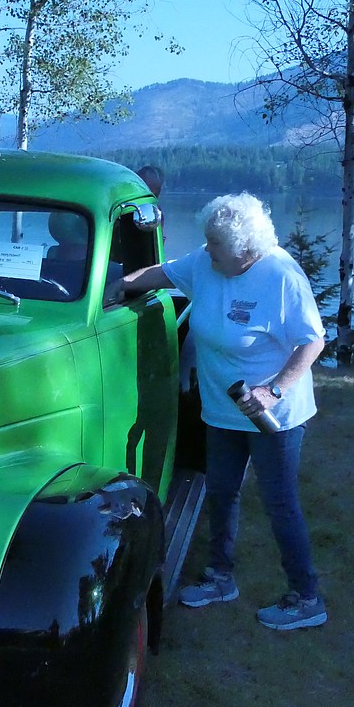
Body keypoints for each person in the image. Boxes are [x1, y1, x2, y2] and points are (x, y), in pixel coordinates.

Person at [109, 192, 328, 631]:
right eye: (207, 241)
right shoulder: (207, 263)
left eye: (215, 244)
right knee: (221, 492)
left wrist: (274, 391)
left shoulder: (280, 276)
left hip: (272, 418)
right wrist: (115, 287)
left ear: (246, 250)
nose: (206, 249)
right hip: (220, 410)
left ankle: (307, 597)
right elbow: (159, 273)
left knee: (280, 503)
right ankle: (219, 577)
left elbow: (313, 341)